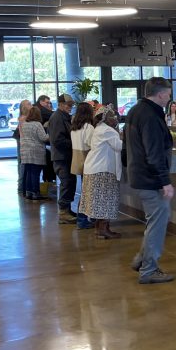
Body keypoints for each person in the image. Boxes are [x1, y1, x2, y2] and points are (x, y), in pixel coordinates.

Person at [126, 77, 175, 284]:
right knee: (158, 222)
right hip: (151, 179)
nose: (170, 98)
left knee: (154, 220)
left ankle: (141, 260)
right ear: (161, 94)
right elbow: (153, 153)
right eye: (169, 94)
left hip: (140, 175)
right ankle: (148, 270)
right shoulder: (151, 117)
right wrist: (165, 181)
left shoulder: (136, 111)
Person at [81, 104, 124, 240]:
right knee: (106, 199)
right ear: (105, 118)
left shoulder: (99, 128)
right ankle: (104, 230)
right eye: (112, 116)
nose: (115, 118)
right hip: (102, 170)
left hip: (94, 168)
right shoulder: (107, 130)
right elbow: (119, 146)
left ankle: (99, 229)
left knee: (99, 201)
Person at [49, 94, 77, 224]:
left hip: (66, 156)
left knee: (70, 182)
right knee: (66, 183)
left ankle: (67, 210)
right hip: (61, 157)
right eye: (68, 105)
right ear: (60, 104)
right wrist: (75, 143)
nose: (70, 107)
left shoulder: (64, 117)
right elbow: (57, 140)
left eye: (71, 105)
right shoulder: (57, 118)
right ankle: (63, 212)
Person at [70, 102, 95, 230]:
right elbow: (92, 144)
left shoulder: (75, 127)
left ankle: (84, 218)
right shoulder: (88, 128)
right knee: (87, 192)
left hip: (76, 160)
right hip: (87, 161)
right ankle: (83, 219)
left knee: (84, 191)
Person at [18, 107, 49, 200]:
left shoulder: (24, 124)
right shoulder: (37, 124)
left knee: (28, 172)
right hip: (36, 152)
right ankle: (36, 193)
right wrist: (50, 134)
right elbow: (43, 138)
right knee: (35, 173)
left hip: (25, 151)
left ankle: (28, 192)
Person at [13, 99, 34, 198]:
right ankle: (21, 188)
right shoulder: (23, 118)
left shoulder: (27, 118)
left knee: (23, 164)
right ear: (23, 107)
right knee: (22, 164)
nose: (32, 105)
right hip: (23, 144)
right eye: (29, 104)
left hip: (23, 143)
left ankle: (23, 187)